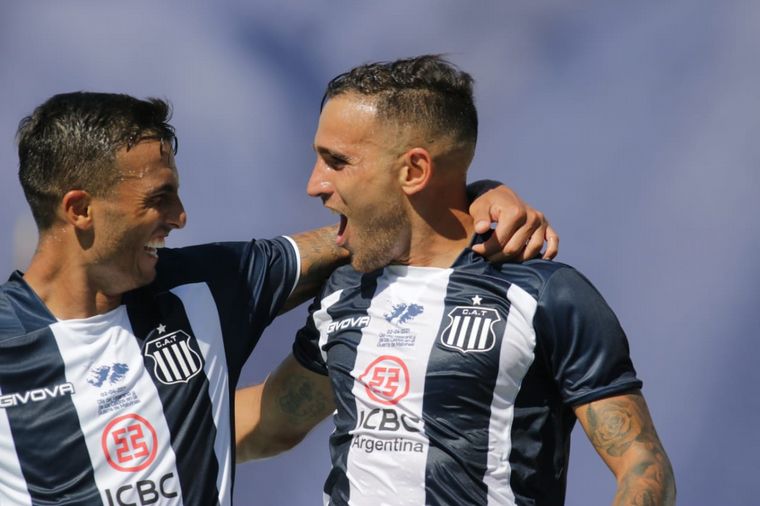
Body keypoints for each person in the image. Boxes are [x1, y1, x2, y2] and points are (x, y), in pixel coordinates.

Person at [0, 92, 553, 505]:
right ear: (79, 209)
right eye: (158, 198)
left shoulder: (201, 286)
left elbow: (369, 233)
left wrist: (474, 199)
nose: (180, 217)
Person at [235, 55, 676, 505]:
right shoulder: (346, 289)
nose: (315, 184)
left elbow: (642, 465)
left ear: (413, 171)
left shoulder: (543, 295)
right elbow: (269, 424)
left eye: (337, 161)